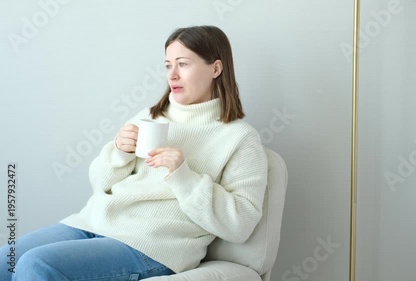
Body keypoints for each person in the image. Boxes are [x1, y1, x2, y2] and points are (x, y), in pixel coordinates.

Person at [0, 25, 268, 281]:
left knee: (36, 265)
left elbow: (240, 225)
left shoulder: (239, 138)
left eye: (183, 64)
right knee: (5, 261)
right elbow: (100, 183)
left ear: (216, 68)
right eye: (168, 65)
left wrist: (184, 176)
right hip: (93, 223)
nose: (172, 75)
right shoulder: (150, 117)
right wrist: (118, 152)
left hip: (152, 247)